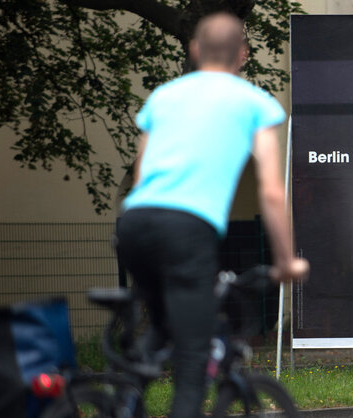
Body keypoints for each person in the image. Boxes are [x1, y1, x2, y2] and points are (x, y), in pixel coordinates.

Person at [115, 12, 308, 417]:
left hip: (133, 224)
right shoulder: (256, 103)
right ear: (244, 54)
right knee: (192, 360)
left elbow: (141, 172)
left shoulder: (164, 96)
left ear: (194, 49)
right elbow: (272, 191)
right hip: (187, 228)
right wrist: (287, 260)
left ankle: (122, 399)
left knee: (161, 326)